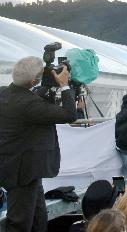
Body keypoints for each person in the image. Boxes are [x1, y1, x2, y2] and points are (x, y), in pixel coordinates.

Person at [0, 56, 78, 232]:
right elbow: (69, 115)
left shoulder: (4, 93)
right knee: (19, 223)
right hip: (23, 171)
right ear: (34, 81)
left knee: (38, 218)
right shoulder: (30, 104)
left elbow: (29, 101)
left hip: (21, 166)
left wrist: (45, 89)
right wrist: (64, 85)